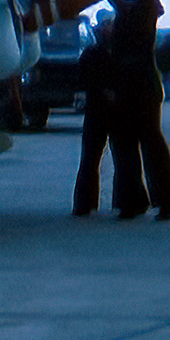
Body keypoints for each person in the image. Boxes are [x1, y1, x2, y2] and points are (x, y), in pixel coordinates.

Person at [107, 0, 170, 220]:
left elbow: (120, 3)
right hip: (137, 86)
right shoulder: (143, 7)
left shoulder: (142, 8)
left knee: (140, 143)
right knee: (135, 143)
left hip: (137, 86)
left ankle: (150, 199)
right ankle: (145, 199)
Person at [73, 18, 119, 216]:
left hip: (103, 110)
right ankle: (85, 203)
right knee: (92, 158)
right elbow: (83, 79)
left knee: (98, 157)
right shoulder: (98, 54)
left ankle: (85, 203)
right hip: (101, 109)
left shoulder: (93, 53)